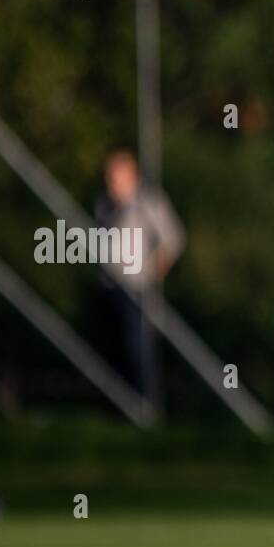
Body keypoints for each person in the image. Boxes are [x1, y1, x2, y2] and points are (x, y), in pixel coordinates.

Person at [94, 149, 185, 408]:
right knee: (112, 350)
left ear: (131, 175)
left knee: (139, 350)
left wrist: (152, 271)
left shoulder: (148, 203)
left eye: (116, 177)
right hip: (108, 287)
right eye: (108, 177)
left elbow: (173, 238)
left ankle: (146, 407)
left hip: (136, 289)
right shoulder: (104, 205)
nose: (111, 182)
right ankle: (117, 409)